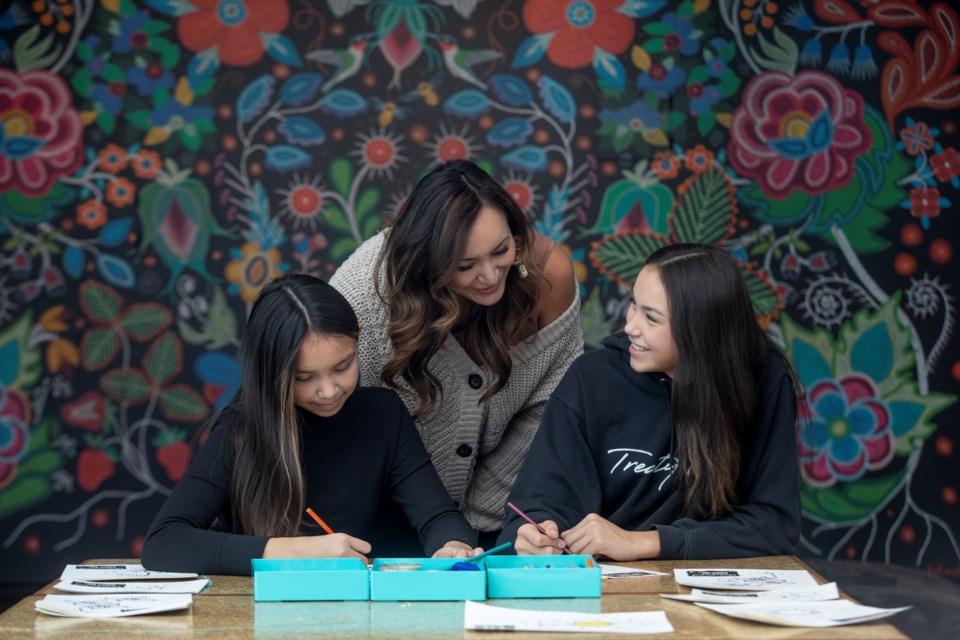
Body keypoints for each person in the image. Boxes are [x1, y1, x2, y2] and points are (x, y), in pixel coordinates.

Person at [141, 274, 480, 575]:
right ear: (271, 372)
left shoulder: (382, 414)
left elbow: (437, 517)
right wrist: (297, 551)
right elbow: (163, 542)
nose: (329, 390)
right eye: (304, 378)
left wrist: (451, 545)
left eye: (342, 366)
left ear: (357, 337)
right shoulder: (241, 430)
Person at [330, 160, 582, 547]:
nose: (490, 276)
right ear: (425, 262)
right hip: (373, 523)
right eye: (464, 266)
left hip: (498, 523)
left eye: (501, 250)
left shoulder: (549, 276)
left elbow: (545, 408)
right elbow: (334, 410)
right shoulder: (366, 287)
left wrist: (471, 524)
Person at [498, 243, 804, 560]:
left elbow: (774, 525)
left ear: (701, 331)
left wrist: (641, 542)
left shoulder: (762, 379)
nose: (630, 326)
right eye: (634, 304)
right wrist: (536, 537)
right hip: (607, 588)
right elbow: (542, 502)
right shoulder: (593, 379)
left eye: (652, 318)